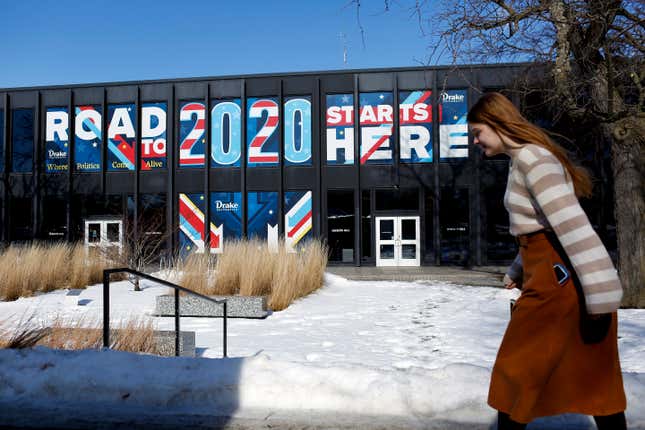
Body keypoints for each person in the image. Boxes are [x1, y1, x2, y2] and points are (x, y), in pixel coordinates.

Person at [467, 92, 627, 430]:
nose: (476, 141)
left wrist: (602, 295)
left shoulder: (534, 161)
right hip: (552, 277)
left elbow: (573, 228)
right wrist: (518, 268)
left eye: (478, 132)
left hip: (557, 285)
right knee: (593, 376)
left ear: (497, 123)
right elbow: (540, 228)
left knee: (517, 371)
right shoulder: (525, 160)